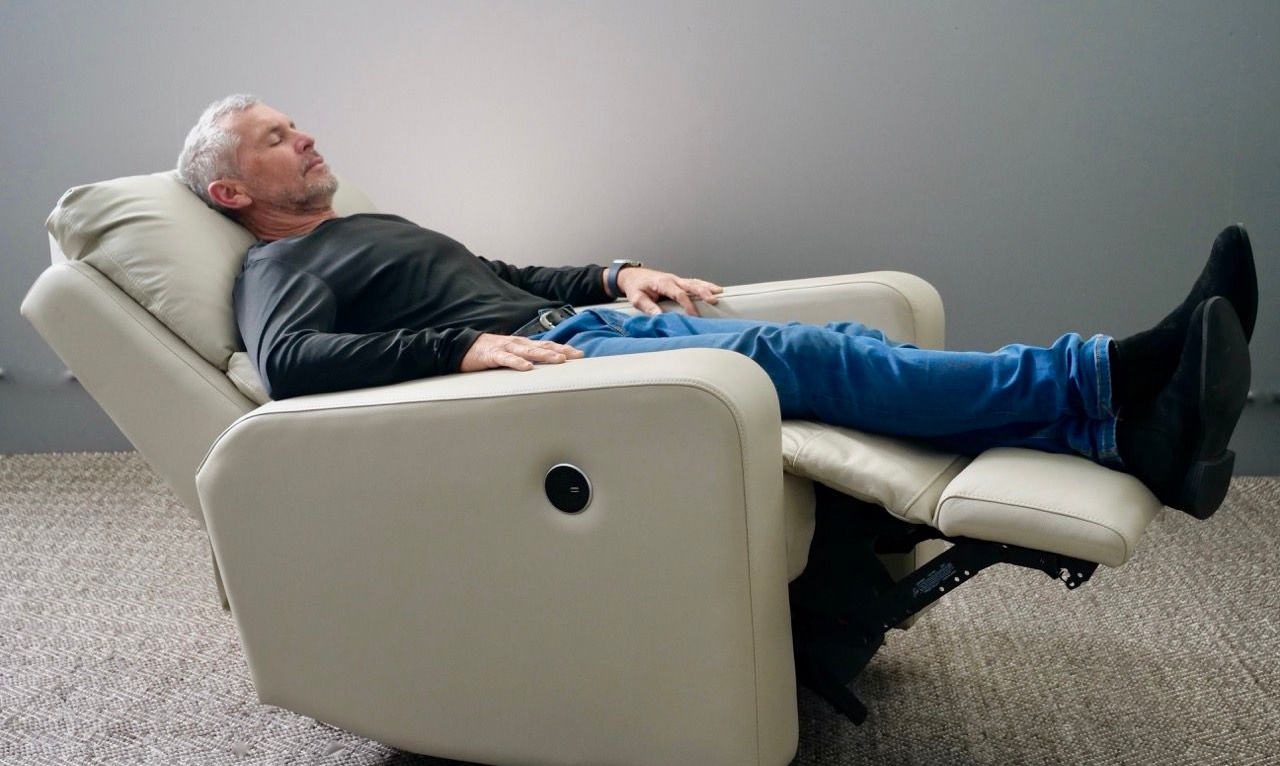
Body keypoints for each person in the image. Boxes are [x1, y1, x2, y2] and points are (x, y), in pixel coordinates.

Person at [177, 94, 1257, 520]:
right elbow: (291, 365)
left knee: (835, 353)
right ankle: (1111, 372)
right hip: (576, 364)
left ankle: (1119, 433)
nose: (305, 136)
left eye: (295, 124)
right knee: (834, 365)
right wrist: (466, 345)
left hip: (587, 325)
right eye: (276, 139)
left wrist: (609, 273)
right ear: (233, 194)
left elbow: (497, 272)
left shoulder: (356, 231)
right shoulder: (276, 272)